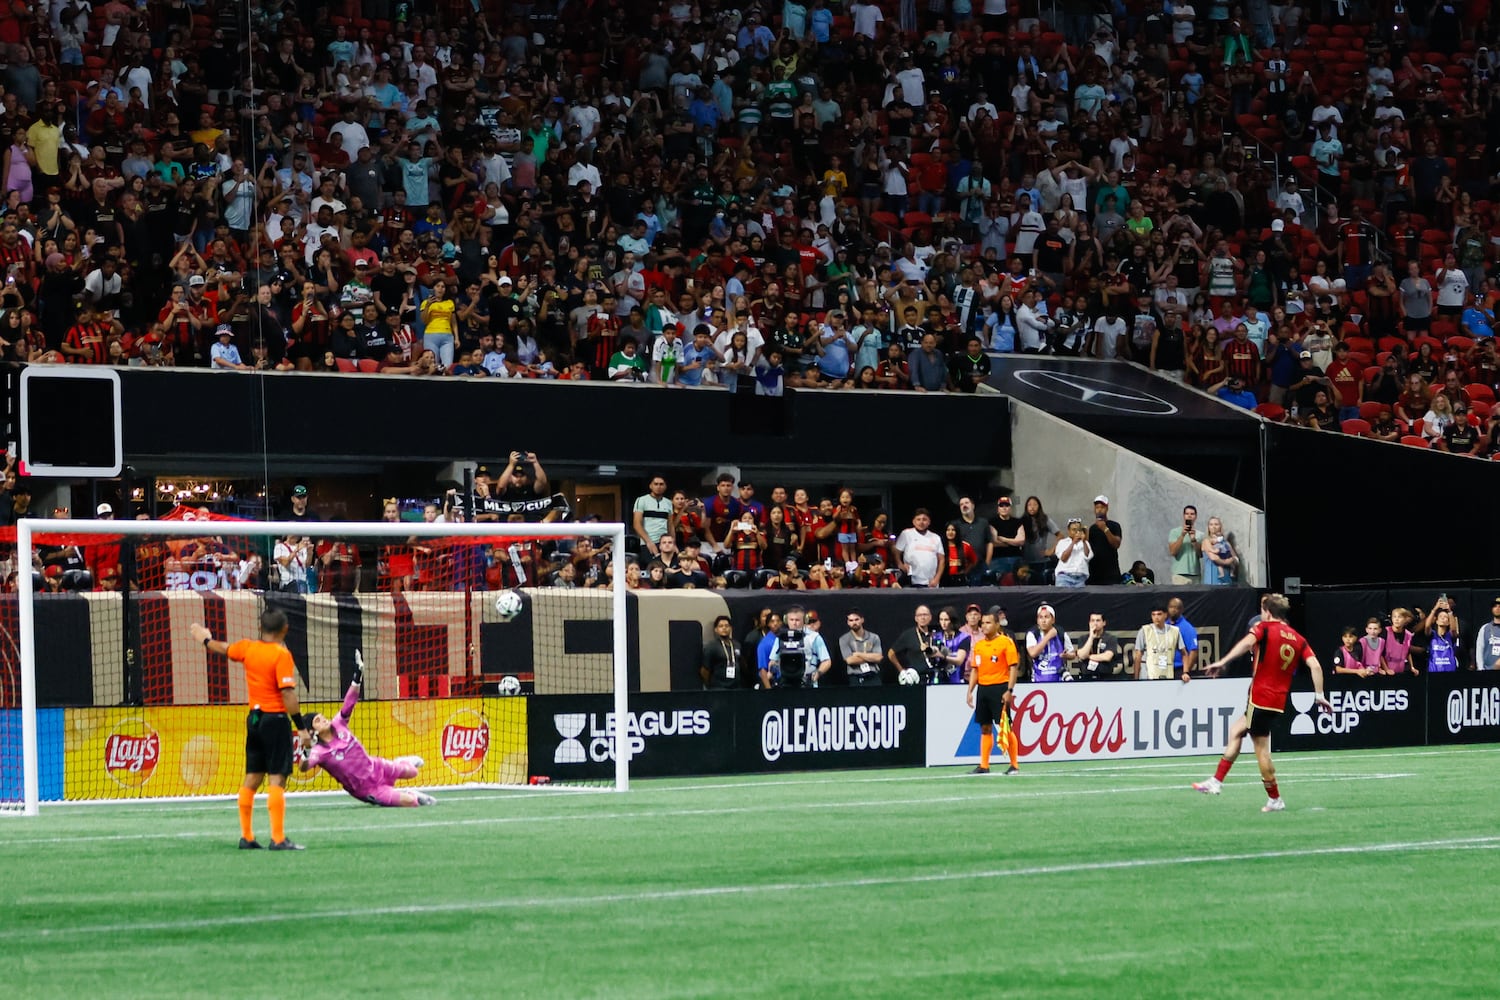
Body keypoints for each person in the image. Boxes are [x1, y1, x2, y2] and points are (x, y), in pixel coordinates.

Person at [1192, 593, 1332, 812]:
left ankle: (1275, 799)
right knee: (1237, 730)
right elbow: (1315, 666)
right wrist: (1319, 695)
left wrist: (1223, 661)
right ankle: (1216, 781)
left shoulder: (1264, 629)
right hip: (1277, 700)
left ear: (1267, 612)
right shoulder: (1297, 638)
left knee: (1261, 751)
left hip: (1260, 698)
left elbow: (1246, 643)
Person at [190, 610, 309, 850]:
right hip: (275, 719)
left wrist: (205, 639)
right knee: (277, 778)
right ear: (284, 629)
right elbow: (287, 693)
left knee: (253, 777)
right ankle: (277, 839)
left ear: (262, 628)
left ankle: (247, 836)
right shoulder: (281, 654)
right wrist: (302, 728)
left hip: (254, 720)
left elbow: (224, 648)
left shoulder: (247, 648)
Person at [303, 657, 436, 807]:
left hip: (378, 767)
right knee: (412, 802)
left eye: (322, 717)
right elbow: (304, 767)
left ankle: (400, 762)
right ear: (312, 731)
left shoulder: (338, 723)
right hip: (368, 789)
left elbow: (349, 702)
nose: (324, 720)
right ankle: (410, 793)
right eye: (317, 721)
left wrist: (357, 678)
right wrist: (306, 749)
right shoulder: (319, 752)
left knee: (413, 772)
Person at [966, 606, 1020, 775]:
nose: (984, 626)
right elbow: (975, 669)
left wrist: (1009, 690)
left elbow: (1013, 668)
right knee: (985, 727)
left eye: (988, 623)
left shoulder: (1006, 642)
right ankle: (984, 765)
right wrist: (970, 690)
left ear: (997, 624)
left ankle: (1014, 764)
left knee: (1005, 726)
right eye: (983, 623)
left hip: (1000, 688)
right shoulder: (979, 646)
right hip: (983, 689)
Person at [765, 606, 831, 688]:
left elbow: (826, 661)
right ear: (786, 620)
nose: (794, 623)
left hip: (807, 684)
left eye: (797, 620)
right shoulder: (781, 638)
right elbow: (773, 660)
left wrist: (817, 673)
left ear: (805, 620)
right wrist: (772, 670)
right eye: (791, 620)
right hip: (785, 683)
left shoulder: (814, 637)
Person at [887, 605, 946, 684]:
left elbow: (946, 653)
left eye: (925, 615)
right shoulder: (908, 635)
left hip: (935, 678)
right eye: (920, 615)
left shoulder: (937, 634)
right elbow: (891, 653)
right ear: (916, 618)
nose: (922, 617)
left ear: (930, 617)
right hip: (915, 679)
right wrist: (901, 670)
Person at [1133, 605, 1188, 681]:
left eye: (1159, 614)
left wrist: (1185, 672)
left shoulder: (1174, 631)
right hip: (1148, 675)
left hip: (1167, 674)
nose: (1156, 617)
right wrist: (1136, 678)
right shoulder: (1144, 631)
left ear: (1165, 615)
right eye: (1153, 615)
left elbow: (1184, 653)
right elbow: (1138, 656)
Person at [1025, 603, 1076, 682]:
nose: (1043, 621)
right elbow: (1033, 653)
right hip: (1038, 677)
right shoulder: (1032, 633)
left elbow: (1073, 655)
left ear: (1053, 620)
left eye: (1046, 617)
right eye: (1040, 617)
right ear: (1037, 620)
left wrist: (1067, 655)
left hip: (1059, 677)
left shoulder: (1061, 633)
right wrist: (1048, 636)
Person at [893, 508, 943, 587]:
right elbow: (896, 551)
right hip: (911, 581)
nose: (921, 522)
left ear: (929, 522)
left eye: (924, 519)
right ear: (913, 521)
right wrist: (900, 564)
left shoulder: (936, 537)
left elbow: (941, 560)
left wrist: (937, 579)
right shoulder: (906, 534)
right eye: (918, 519)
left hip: (931, 583)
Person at [836, 609, 884, 685]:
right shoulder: (844, 639)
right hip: (855, 677)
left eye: (856, 619)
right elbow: (850, 660)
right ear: (848, 622)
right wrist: (871, 657)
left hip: (873, 676)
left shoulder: (874, 637)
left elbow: (878, 658)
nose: (854, 623)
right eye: (851, 620)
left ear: (862, 620)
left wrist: (858, 654)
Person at [1086, 495, 1122, 585]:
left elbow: (1116, 544)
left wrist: (1105, 529)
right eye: (1097, 507)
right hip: (1094, 574)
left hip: (1111, 574)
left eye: (1102, 507)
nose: (1099, 510)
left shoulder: (1114, 525)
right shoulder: (1092, 528)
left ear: (1107, 508)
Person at [701, 615, 745, 689]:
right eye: (721, 626)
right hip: (719, 687)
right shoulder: (711, 647)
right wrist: (709, 684)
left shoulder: (737, 645)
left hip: (736, 687)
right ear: (716, 629)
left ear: (731, 628)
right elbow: (704, 670)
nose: (724, 628)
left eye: (727, 626)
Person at [1075, 612, 1122, 680]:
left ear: (1104, 623)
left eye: (1098, 620)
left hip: (1105, 677)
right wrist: (1091, 637)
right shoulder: (1083, 638)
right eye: (1092, 620)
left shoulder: (1111, 638)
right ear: (1089, 623)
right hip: (1086, 677)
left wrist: (1088, 656)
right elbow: (1082, 655)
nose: (1095, 623)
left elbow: (1107, 657)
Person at [1420, 597, 1462, 672]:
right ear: (1436, 621)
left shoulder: (1450, 636)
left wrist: (1449, 611)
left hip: (1449, 672)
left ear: (1448, 622)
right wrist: (1435, 609)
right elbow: (1427, 626)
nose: (1443, 618)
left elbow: (1453, 629)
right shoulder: (1432, 635)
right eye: (1440, 617)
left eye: (1445, 617)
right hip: (1434, 672)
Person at [1166, 596, 1200, 678]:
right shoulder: (1163, 625)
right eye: (1171, 607)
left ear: (1181, 610)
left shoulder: (1187, 628)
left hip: (1179, 670)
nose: (1173, 610)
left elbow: (1193, 651)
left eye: (1176, 608)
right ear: (1167, 608)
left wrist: (1186, 672)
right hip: (1163, 668)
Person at [1053, 517, 1092, 587]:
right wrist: (1073, 542)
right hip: (1064, 577)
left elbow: (1088, 556)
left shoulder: (1085, 543)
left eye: (1079, 530)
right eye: (1074, 530)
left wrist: (1084, 541)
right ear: (1068, 531)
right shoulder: (1062, 542)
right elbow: (1063, 558)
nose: (1077, 532)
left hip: (1080, 578)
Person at [1200, 516, 1238, 585]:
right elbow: (1213, 557)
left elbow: (1235, 559)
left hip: (1227, 579)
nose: (1213, 526)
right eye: (1211, 524)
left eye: (1216, 524)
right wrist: (1227, 561)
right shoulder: (1206, 541)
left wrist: (1233, 560)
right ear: (1208, 527)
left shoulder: (1226, 542)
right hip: (1212, 580)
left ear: (1220, 526)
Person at [1167, 505, 1201, 584]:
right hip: (1179, 574)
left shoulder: (1200, 534)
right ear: (1183, 516)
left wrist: (1193, 539)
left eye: (1192, 514)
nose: (1189, 516)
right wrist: (1182, 535)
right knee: (1179, 597)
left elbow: (1200, 554)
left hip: (1195, 574)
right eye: (1187, 514)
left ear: (1196, 516)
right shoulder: (1174, 532)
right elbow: (1172, 552)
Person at [1475, 599, 1500, 671]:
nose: (1497, 608)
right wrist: (1480, 669)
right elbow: (1479, 649)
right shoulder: (1485, 628)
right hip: (1487, 671)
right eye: (1495, 606)